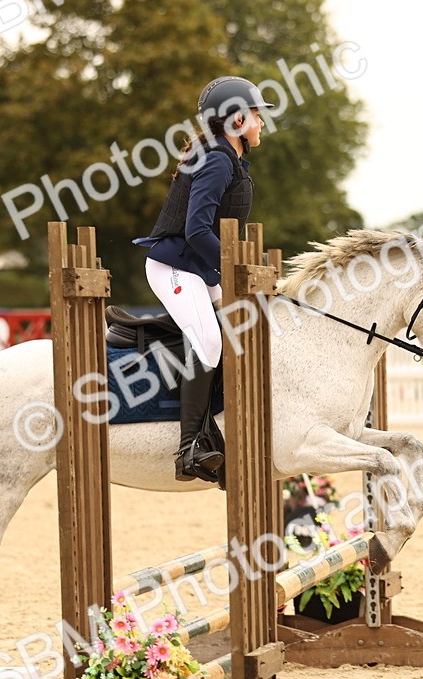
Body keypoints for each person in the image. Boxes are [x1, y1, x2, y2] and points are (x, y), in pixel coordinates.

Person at [132, 76, 272, 483]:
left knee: (245, 328)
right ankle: (189, 448)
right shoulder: (215, 159)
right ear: (237, 119)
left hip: (199, 267)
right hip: (176, 266)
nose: (261, 123)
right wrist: (234, 273)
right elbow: (195, 231)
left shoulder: (229, 160)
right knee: (209, 339)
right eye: (257, 115)